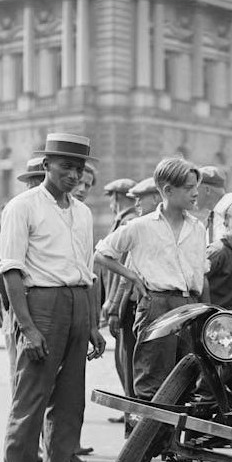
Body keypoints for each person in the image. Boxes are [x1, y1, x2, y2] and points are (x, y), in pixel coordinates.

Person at [0, 133, 107, 462]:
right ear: (46, 165)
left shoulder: (82, 211)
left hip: (77, 303)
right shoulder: (23, 207)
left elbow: (87, 272)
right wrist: (27, 327)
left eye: (79, 168)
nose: (73, 175)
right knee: (31, 399)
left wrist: (92, 323)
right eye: (65, 166)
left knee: (70, 400)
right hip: (40, 303)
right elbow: (10, 270)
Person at [95, 157, 210, 462]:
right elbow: (103, 253)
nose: (195, 194)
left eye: (197, 188)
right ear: (167, 190)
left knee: (185, 390)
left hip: (190, 306)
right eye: (189, 188)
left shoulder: (198, 227)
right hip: (157, 305)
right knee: (149, 391)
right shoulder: (141, 226)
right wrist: (133, 278)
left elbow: (199, 274)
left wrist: (202, 311)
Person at [99, 178, 138, 424]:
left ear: (117, 197)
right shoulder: (123, 221)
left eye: (111, 197)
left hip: (123, 302)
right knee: (123, 359)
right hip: (119, 301)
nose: (111, 203)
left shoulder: (128, 223)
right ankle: (129, 409)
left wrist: (112, 307)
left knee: (127, 359)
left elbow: (121, 271)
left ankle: (131, 411)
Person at [197, 166, 227, 240]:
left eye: (195, 188)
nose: (192, 194)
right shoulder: (213, 216)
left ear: (207, 190)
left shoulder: (230, 215)